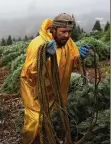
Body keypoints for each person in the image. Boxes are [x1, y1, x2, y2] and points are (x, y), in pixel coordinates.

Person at [20, 13, 89, 144]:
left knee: (54, 119)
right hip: (37, 92)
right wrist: (43, 57)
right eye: (63, 32)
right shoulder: (37, 44)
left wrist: (80, 57)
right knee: (35, 122)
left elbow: (74, 62)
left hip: (57, 91)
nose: (67, 35)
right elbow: (28, 74)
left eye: (69, 32)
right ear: (53, 29)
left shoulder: (68, 43)